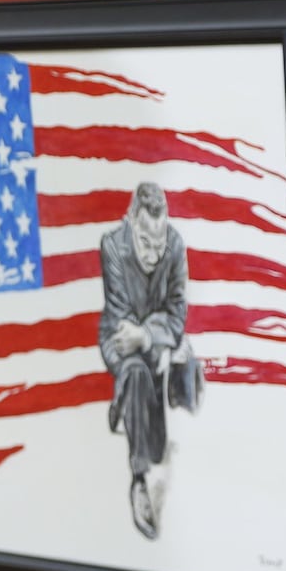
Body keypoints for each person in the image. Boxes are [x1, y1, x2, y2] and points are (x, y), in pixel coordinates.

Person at [98, 181, 200, 540]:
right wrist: (155, 340)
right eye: (145, 243)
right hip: (121, 342)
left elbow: (177, 315)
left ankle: (131, 407)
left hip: (152, 337)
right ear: (130, 223)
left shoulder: (174, 246)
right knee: (138, 374)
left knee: (189, 363)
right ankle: (138, 479)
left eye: (159, 244)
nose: (155, 254)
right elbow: (121, 319)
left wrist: (156, 340)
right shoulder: (112, 246)